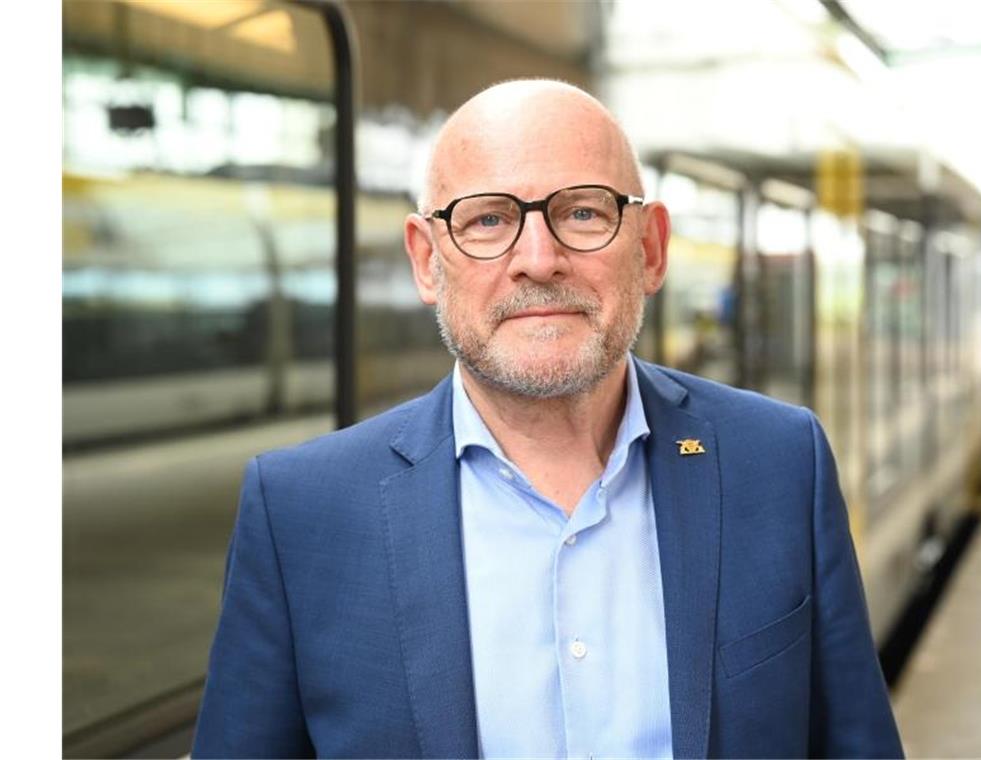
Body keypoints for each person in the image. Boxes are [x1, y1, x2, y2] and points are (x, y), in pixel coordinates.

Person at [192, 79, 903, 759]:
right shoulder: (298, 515)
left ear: (650, 248)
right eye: (489, 219)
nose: (538, 260)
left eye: (583, 212)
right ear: (427, 261)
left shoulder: (781, 463)